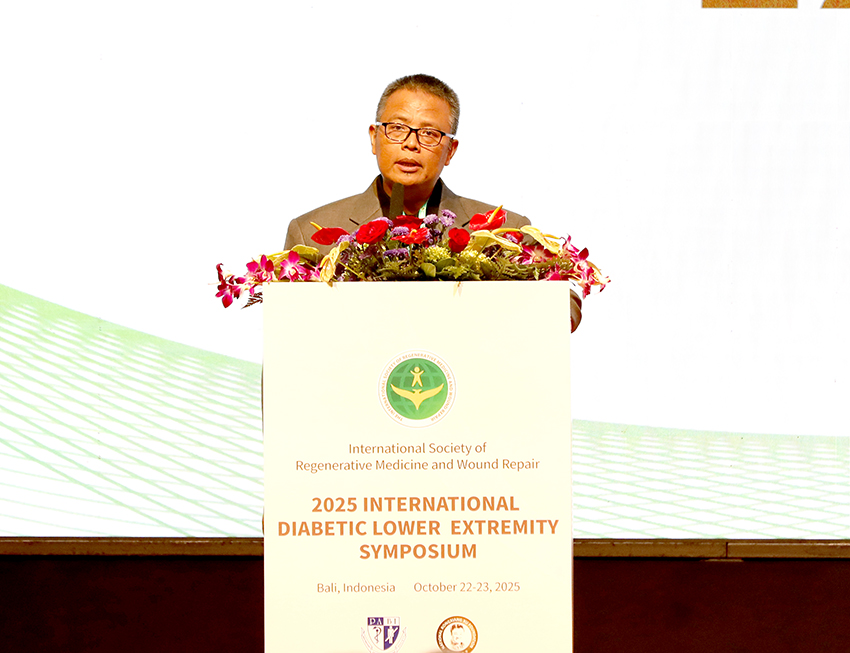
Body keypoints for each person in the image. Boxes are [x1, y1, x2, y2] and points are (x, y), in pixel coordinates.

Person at [283, 74, 582, 331]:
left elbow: (563, 300)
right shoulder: (311, 233)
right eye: (397, 128)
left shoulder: (503, 230)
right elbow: (286, 335)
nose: (411, 143)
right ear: (374, 138)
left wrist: (553, 312)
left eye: (429, 133)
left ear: (450, 150)